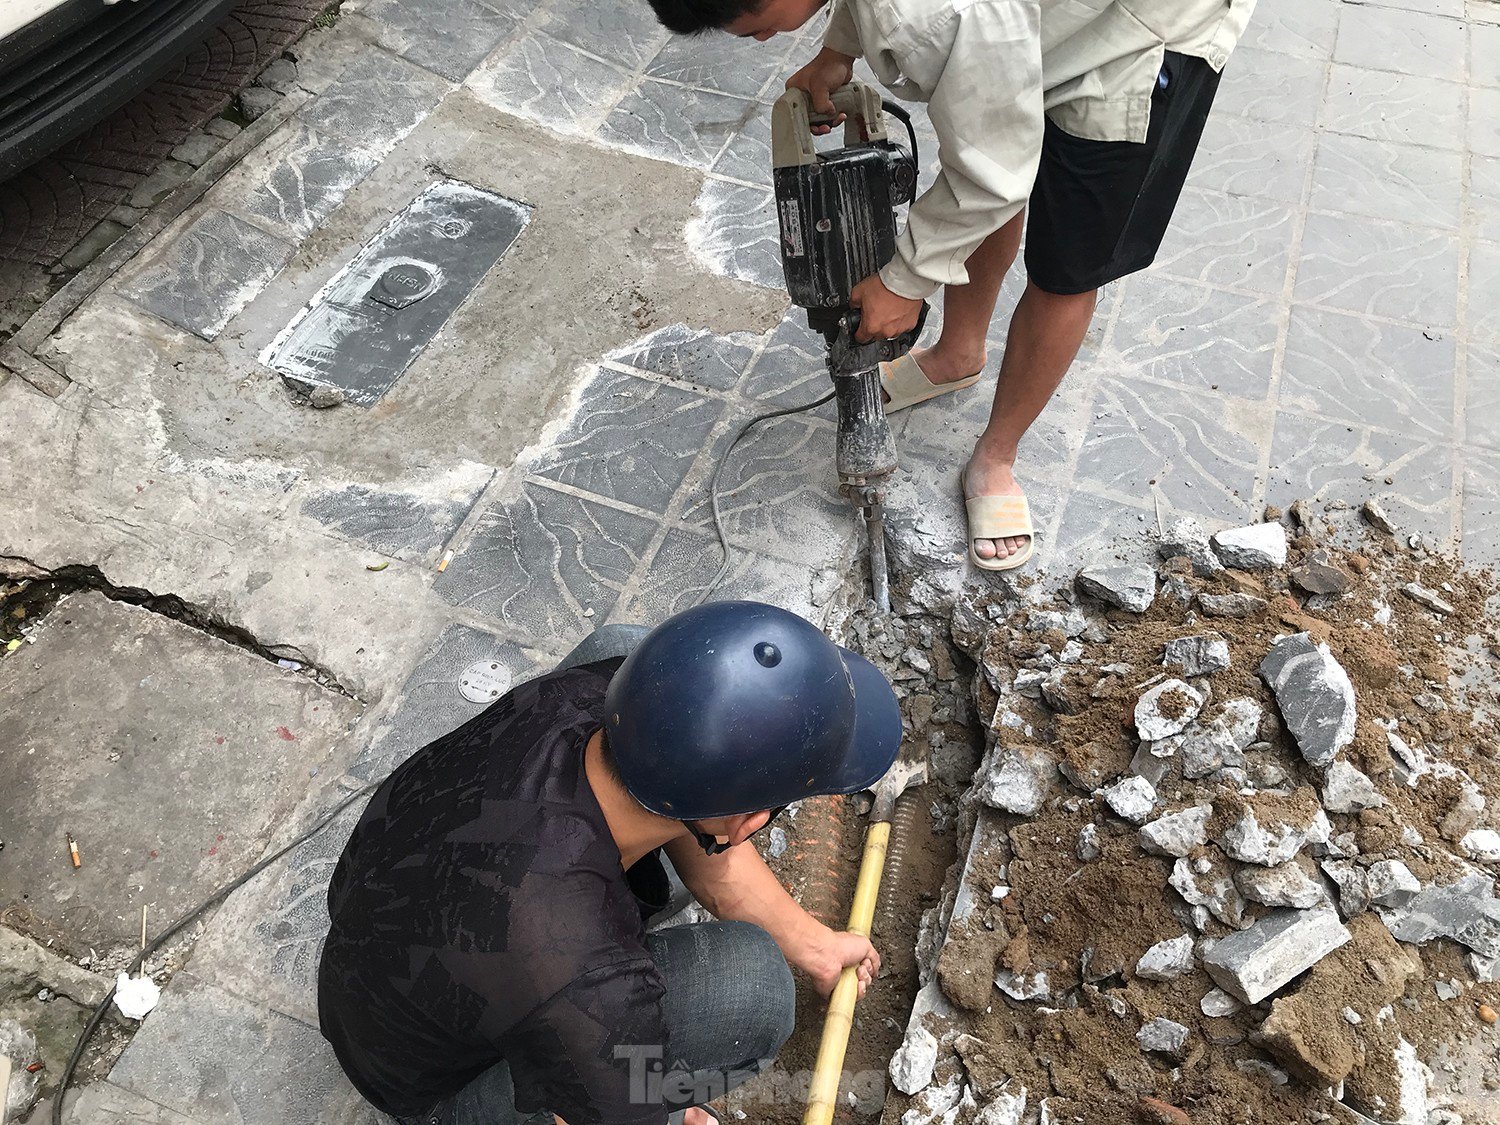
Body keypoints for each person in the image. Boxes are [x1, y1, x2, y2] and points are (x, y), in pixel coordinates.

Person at [646, 0, 1253, 572]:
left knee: (1068, 268)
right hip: (1043, 17)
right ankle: (957, 353)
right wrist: (840, 46)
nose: (765, 41)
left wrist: (906, 280)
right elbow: (995, 140)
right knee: (1002, 140)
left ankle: (997, 456)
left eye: (756, 28)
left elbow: (992, 173)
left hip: (1140, 37)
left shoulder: (932, 14)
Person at [318, 601, 901, 1125]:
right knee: (752, 990)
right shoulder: (584, 981)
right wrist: (642, 1108)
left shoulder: (592, 695)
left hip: (388, 947)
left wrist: (816, 946)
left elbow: (705, 820)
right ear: (746, 824)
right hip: (431, 1088)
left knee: (618, 639)